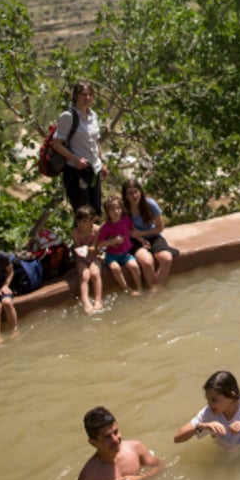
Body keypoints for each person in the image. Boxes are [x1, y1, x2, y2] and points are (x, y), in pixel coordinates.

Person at [52, 80, 108, 216]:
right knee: (83, 215)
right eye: (83, 94)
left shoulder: (93, 115)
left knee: (96, 213)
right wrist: (76, 159)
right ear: (76, 95)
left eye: (90, 94)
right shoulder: (68, 116)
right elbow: (56, 144)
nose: (87, 98)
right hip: (75, 172)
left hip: (93, 170)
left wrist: (102, 162)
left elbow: (96, 141)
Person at [77, 405, 162, 480]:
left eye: (116, 432)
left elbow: (159, 467)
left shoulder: (135, 448)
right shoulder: (89, 476)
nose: (115, 440)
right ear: (93, 443)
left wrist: (139, 478)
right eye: (107, 437)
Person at [122, 178, 178, 289]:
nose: (134, 196)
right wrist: (138, 237)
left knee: (166, 258)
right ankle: (154, 291)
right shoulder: (123, 209)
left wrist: (141, 233)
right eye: (130, 193)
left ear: (140, 192)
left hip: (153, 235)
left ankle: (154, 293)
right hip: (134, 240)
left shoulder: (150, 204)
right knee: (147, 262)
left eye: (136, 192)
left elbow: (160, 228)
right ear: (125, 196)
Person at [98, 195, 144, 295]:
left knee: (135, 266)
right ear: (107, 212)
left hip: (125, 254)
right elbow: (100, 244)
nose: (116, 212)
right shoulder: (106, 227)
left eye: (118, 208)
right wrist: (113, 241)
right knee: (115, 268)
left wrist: (142, 240)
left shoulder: (126, 219)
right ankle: (126, 288)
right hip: (112, 255)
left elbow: (133, 231)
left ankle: (139, 287)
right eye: (112, 210)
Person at [71, 205, 104, 314]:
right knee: (84, 276)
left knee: (95, 274)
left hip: (94, 255)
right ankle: (86, 301)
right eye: (79, 221)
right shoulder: (75, 233)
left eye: (84, 221)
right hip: (82, 257)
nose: (81, 224)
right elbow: (77, 247)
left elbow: (96, 247)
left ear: (91, 221)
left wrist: (90, 249)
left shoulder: (96, 230)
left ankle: (98, 300)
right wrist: (81, 250)